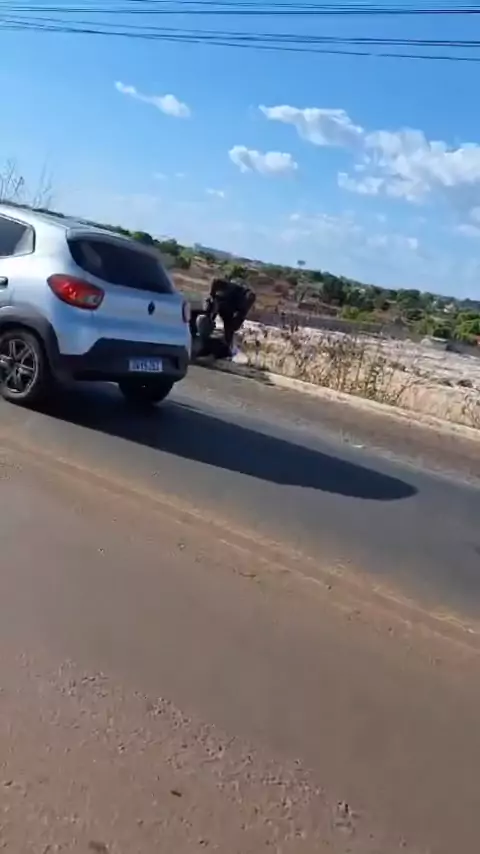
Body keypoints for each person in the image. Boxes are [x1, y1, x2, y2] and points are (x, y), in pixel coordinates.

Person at [205, 277, 256, 353]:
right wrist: (212, 295)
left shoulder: (243, 305)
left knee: (229, 328)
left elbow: (236, 322)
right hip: (221, 302)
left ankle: (226, 348)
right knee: (209, 315)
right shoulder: (233, 288)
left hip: (229, 309)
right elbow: (216, 281)